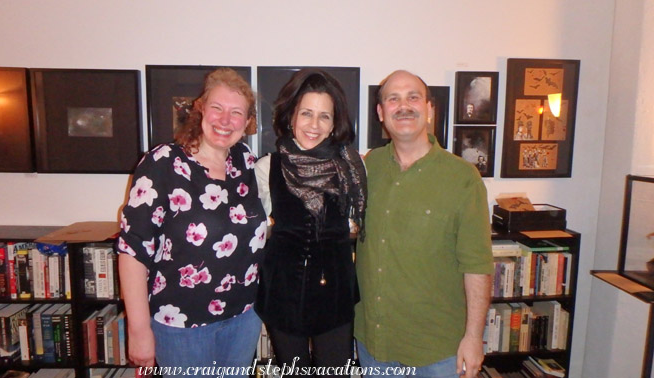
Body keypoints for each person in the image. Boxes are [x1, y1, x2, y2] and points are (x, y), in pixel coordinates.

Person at [116, 68, 267, 375]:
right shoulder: (162, 163)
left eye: (236, 112)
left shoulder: (247, 163)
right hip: (181, 326)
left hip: (243, 318)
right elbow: (132, 251)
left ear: (247, 121)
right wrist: (138, 330)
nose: (225, 121)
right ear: (200, 109)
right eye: (217, 108)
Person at [354, 70, 493, 378]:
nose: (404, 106)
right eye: (393, 99)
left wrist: (473, 337)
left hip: (438, 353)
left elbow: (478, 264)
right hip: (374, 344)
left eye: (413, 97)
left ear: (430, 109)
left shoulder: (462, 178)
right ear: (381, 113)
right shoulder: (367, 167)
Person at [254, 68, 366, 376]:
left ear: (334, 123)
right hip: (283, 292)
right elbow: (258, 229)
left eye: (324, 116)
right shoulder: (267, 168)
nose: (314, 125)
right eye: (306, 113)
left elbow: (357, 224)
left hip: (335, 293)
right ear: (291, 117)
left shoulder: (352, 169)